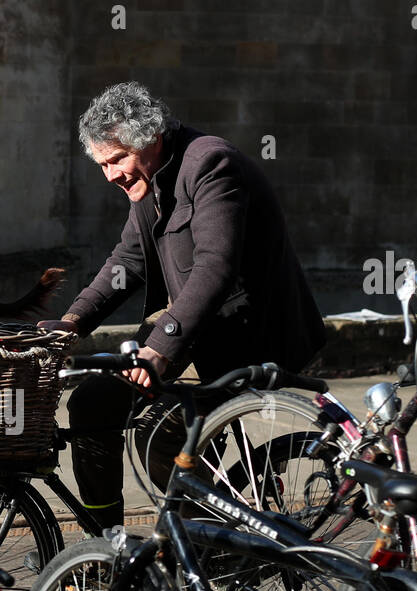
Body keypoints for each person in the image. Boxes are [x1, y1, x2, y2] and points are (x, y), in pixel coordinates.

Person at [41, 82, 326, 530]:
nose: (110, 175)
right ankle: (106, 542)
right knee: (92, 405)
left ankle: (209, 546)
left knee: (160, 437)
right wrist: (73, 321)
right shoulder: (148, 182)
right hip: (192, 329)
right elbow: (129, 261)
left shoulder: (211, 164)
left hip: (245, 335)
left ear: (149, 139)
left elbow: (215, 266)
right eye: (102, 164)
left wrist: (161, 346)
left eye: (116, 160)